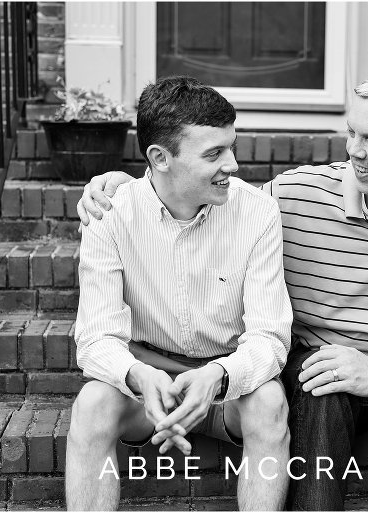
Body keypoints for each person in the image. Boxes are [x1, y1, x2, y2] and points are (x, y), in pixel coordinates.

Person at [76, 67, 368, 511]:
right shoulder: (294, 195)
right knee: (321, 378)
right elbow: (191, 196)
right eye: (352, 133)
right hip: (330, 376)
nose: (354, 150)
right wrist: (126, 186)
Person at [68, 76, 293, 511]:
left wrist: (219, 375)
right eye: (214, 153)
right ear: (160, 157)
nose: (233, 165)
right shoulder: (109, 212)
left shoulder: (258, 211)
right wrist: (139, 376)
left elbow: (269, 337)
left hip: (226, 380)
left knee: (268, 402)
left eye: (232, 146)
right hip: (146, 382)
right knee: (92, 403)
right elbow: (95, 339)